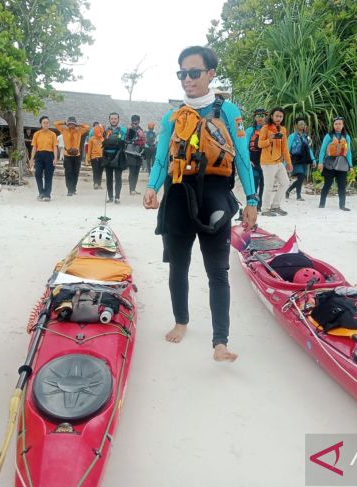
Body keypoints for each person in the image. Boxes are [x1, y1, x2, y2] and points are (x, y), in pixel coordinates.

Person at [144, 45, 257, 362]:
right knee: (178, 267)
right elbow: (162, 157)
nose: (187, 79)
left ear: (210, 73)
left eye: (194, 72)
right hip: (178, 195)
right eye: (182, 73)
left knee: (217, 271)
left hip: (215, 196)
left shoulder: (228, 112)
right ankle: (181, 321)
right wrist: (152, 187)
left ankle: (220, 341)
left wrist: (252, 198)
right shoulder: (172, 116)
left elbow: (245, 160)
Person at [257, 107, 292, 216]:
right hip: (267, 162)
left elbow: (285, 148)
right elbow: (260, 144)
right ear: (272, 116)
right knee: (269, 186)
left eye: (281, 116)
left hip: (278, 162)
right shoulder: (265, 128)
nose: (278, 118)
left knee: (285, 183)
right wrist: (270, 140)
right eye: (276, 116)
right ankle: (265, 209)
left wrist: (289, 163)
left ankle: (275, 206)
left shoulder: (283, 129)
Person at [318, 116, 353, 211]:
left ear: (343, 125)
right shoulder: (328, 136)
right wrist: (320, 162)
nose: (337, 126)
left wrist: (351, 165)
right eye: (336, 124)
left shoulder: (347, 137)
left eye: (339, 124)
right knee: (327, 184)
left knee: (342, 185)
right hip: (330, 163)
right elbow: (322, 150)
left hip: (342, 163)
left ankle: (342, 205)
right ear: (333, 125)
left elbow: (348, 152)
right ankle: (322, 204)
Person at [55, 116, 90, 196]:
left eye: (73, 123)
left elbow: (87, 127)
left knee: (75, 173)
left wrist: (79, 125)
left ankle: (73, 189)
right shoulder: (64, 130)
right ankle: (69, 190)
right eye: (69, 123)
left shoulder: (79, 131)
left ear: (75, 124)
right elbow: (55, 124)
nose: (71, 125)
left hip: (77, 155)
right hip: (67, 155)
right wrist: (64, 122)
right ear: (68, 124)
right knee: (68, 173)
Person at [286, 116, 316, 201]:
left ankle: (288, 190)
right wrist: (287, 162)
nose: (302, 125)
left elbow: (309, 149)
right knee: (301, 175)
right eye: (300, 124)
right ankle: (298, 196)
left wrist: (313, 159)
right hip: (295, 160)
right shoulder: (292, 136)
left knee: (301, 177)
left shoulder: (307, 137)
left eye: (303, 124)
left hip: (304, 160)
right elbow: (287, 149)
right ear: (296, 125)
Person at [29, 116, 58, 201]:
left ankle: (47, 195)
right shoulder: (36, 134)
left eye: (47, 122)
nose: (46, 124)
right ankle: (41, 192)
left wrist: (55, 158)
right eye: (44, 123)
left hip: (50, 155)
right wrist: (31, 159)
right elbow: (34, 147)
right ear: (41, 124)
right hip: (39, 155)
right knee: (38, 174)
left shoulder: (53, 134)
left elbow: (55, 147)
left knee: (48, 176)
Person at [102, 112, 127, 204]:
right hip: (107, 156)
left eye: (115, 118)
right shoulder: (105, 131)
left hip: (118, 156)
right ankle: (110, 197)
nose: (113, 120)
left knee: (118, 178)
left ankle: (117, 197)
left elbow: (124, 141)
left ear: (118, 119)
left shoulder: (122, 130)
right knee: (109, 178)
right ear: (109, 120)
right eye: (112, 118)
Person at [245, 108, 266, 211]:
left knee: (264, 184)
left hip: (266, 161)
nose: (260, 118)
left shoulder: (269, 130)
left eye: (262, 116)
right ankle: (252, 204)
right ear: (254, 117)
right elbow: (244, 146)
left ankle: (260, 206)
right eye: (258, 116)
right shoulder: (250, 131)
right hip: (253, 160)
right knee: (254, 183)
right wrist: (247, 160)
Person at [125, 114, 146, 195]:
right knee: (132, 172)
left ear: (139, 122)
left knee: (137, 172)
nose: (134, 125)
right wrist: (134, 141)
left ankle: (134, 188)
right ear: (131, 122)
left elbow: (143, 141)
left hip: (139, 153)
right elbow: (127, 140)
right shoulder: (129, 130)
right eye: (133, 123)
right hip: (131, 153)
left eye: (136, 123)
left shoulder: (141, 130)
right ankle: (131, 190)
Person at [87, 124, 105, 189]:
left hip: (102, 157)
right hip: (94, 157)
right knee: (95, 171)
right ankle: (95, 183)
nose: (99, 132)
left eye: (100, 130)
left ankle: (99, 184)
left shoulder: (103, 138)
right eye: (98, 130)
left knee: (101, 171)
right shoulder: (92, 139)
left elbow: (105, 147)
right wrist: (88, 158)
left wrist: (102, 138)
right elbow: (89, 149)